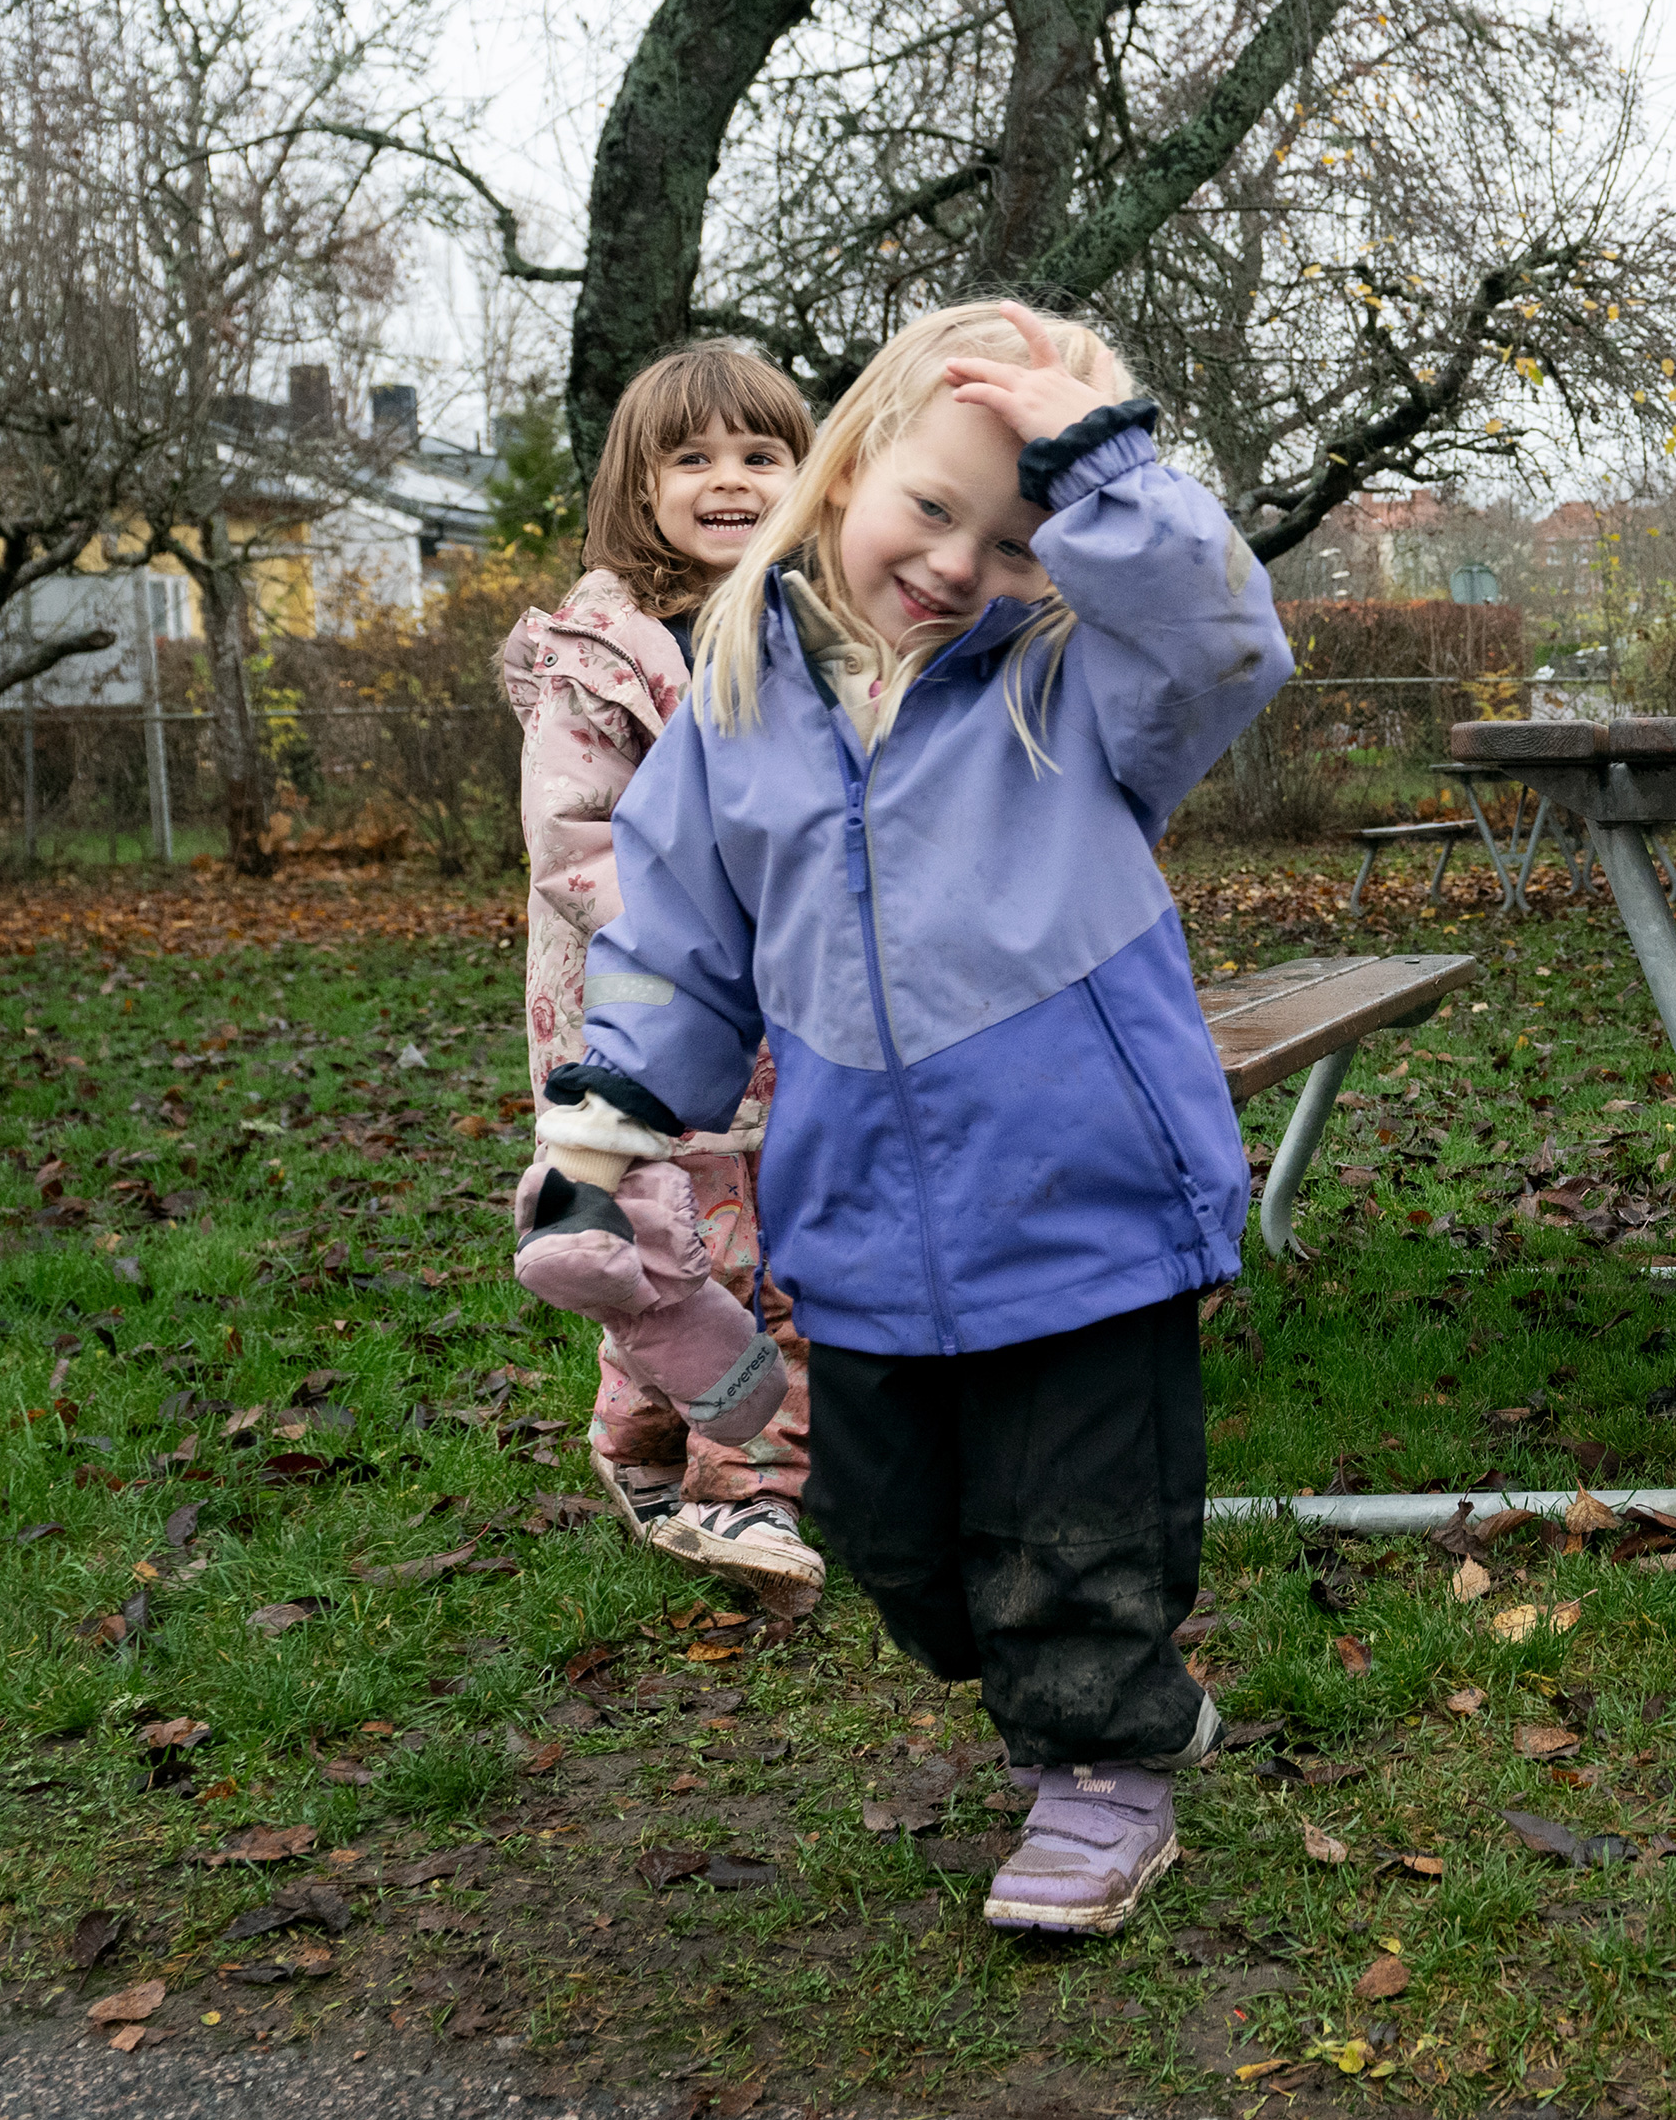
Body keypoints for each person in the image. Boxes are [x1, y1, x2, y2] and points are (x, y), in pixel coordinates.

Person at [511, 300, 1290, 1936]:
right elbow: (675, 934)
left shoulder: (1081, 688)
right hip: (858, 1214)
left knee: (1073, 1533)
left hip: (1084, 1201)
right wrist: (608, 1125)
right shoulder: (737, 694)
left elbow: (1225, 639)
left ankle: (1103, 1763)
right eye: (932, 509)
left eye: (1016, 542)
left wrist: (1107, 472)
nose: (955, 565)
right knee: (895, 1542)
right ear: (851, 463)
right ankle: (1054, 1681)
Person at [500, 343, 826, 1593]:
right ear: (640, 487)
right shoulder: (600, 658)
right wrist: (716, 934)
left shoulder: (817, 625)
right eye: (692, 458)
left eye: (760, 454)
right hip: (641, 1011)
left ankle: (666, 1451)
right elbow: (575, 840)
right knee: (681, 1244)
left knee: (776, 1241)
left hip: (795, 1004)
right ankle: (735, 1486)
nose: (728, 480)